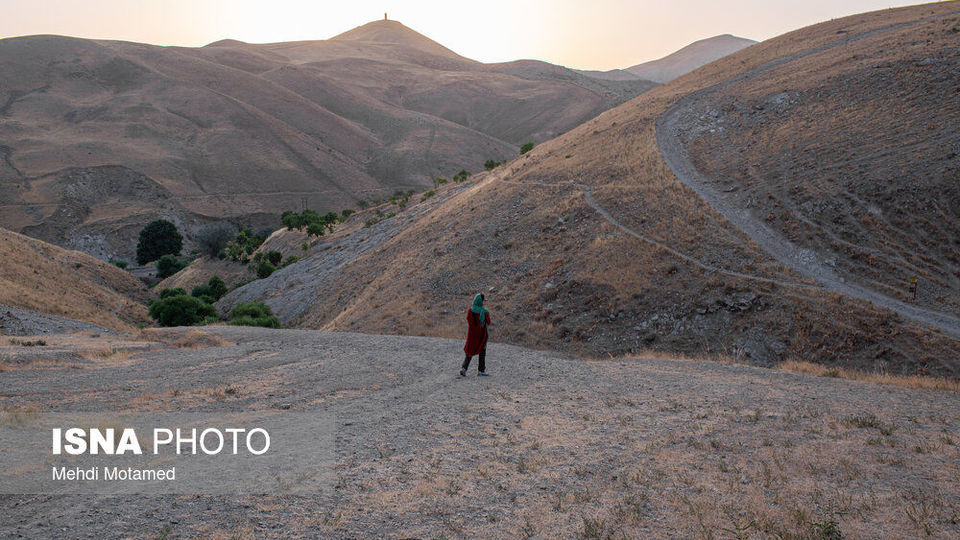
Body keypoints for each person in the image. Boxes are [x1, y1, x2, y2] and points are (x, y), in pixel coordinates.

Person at [461, 293, 491, 377]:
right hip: (482, 335)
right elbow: (488, 322)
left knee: (469, 352)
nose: (484, 302)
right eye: (484, 300)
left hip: (472, 335)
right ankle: (481, 371)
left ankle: (464, 368)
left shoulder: (470, 311)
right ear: (480, 301)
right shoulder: (484, 312)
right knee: (482, 352)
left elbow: (469, 320)